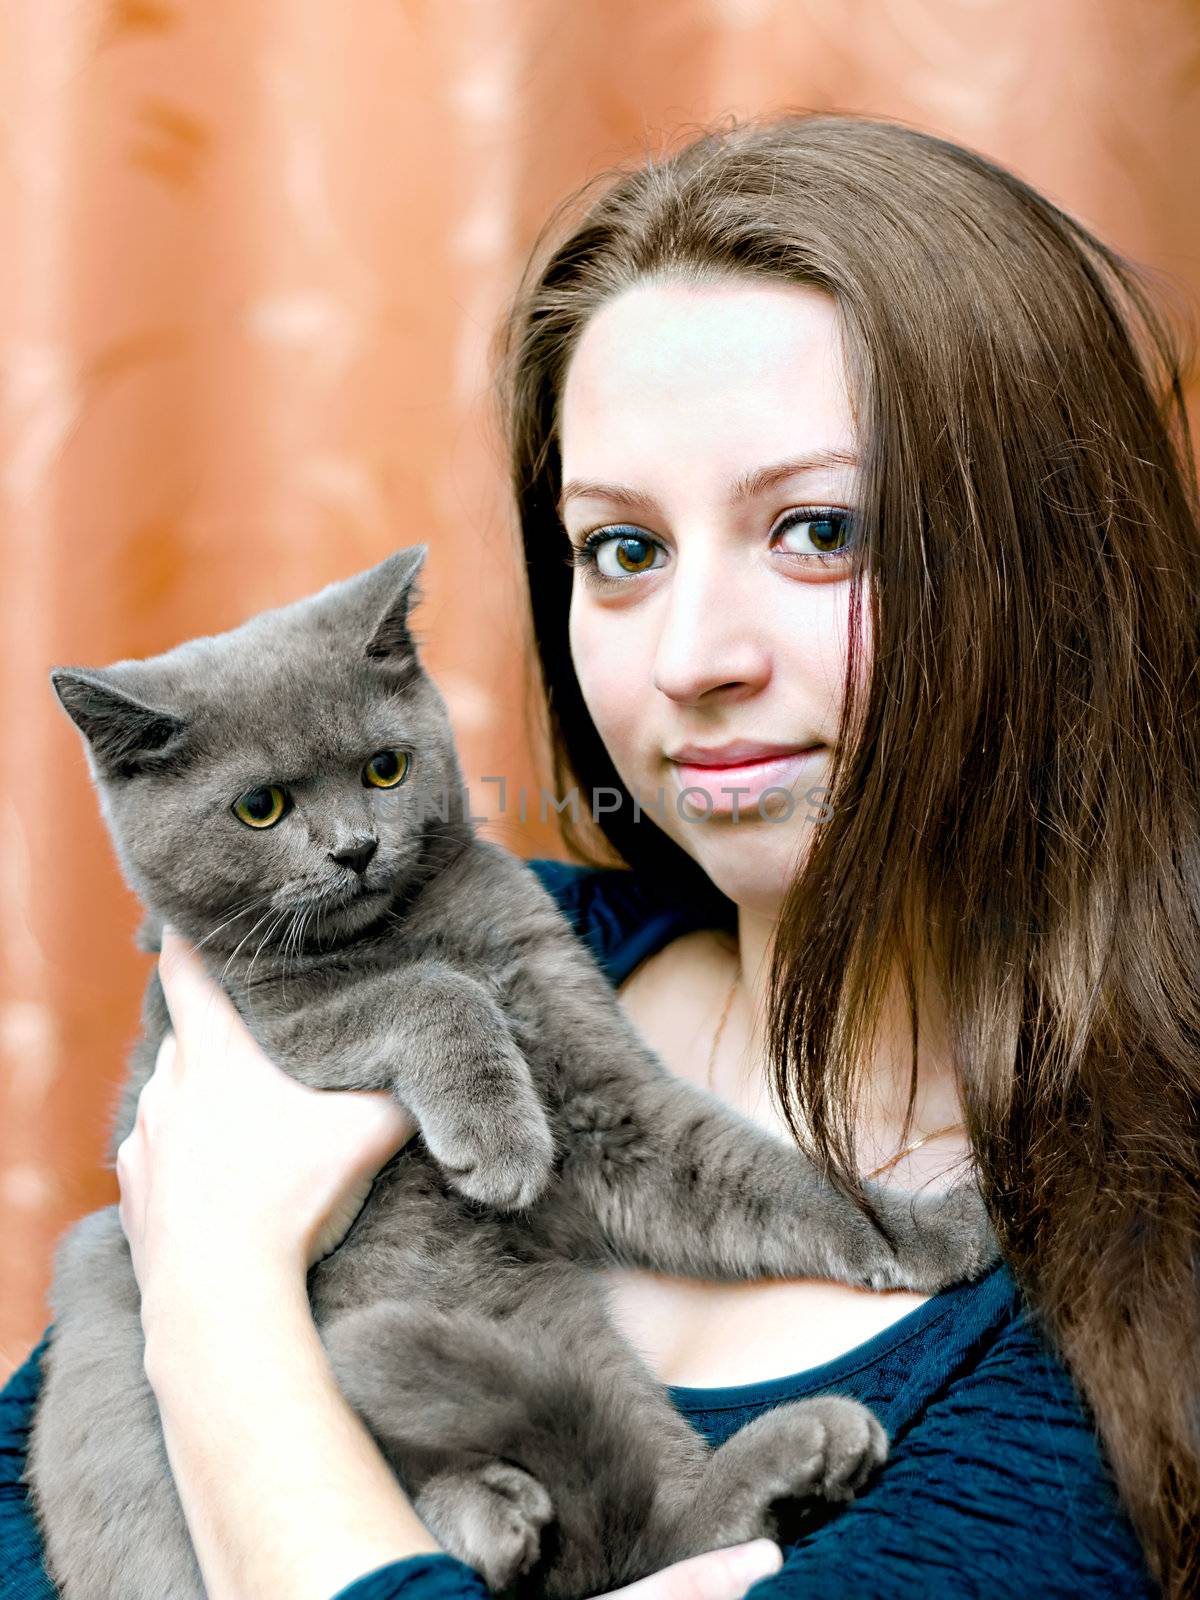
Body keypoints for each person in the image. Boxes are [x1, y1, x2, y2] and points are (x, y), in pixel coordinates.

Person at [2, 109, 1196, 1598]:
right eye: (622, 551)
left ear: (1059, 564)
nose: (692, 657)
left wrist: (217, 1289)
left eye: (820, 529)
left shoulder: (1132, 1269)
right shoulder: (469, 937)